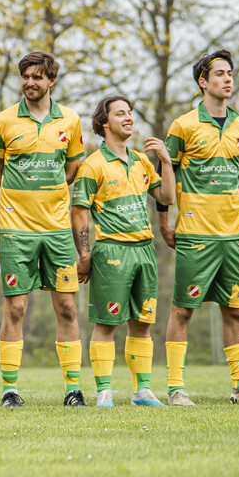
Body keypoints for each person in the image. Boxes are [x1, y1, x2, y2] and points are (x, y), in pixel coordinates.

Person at [157, 51, 239, 405]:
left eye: (230, 73)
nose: (227, 78)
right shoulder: (183, 125)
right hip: (195, 235)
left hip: (232, 237)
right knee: (183, 311)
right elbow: (164, 176)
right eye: (219, 73)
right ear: (202, 81)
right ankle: (176, 389)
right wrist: (164, 222)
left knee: (234, 311)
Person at [0, 51, 87, 407]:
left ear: (51, 81)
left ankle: (73, 389)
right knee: (16, 308)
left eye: (37, 77)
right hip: (16, 231)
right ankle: (9, 390)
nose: (30, 82)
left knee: (68, 308)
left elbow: (72, 168)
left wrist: (49, 196)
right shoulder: (2, 121)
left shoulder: (71, 120)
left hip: (57, 230)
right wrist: (19, 202)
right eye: (26, 76)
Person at [71, 95, 174, 407]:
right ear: (104, 122)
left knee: (142, 323)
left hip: (144, 250)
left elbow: (167, 197)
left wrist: (166, 160)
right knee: (107, 323)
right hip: (111, 251)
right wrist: (85, 255)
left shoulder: (142, 161)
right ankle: (104, 391)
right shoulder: (92, 165)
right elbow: (79, 212)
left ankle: (142, 391)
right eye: (120, 113)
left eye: (129, 112)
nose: (128, 117)